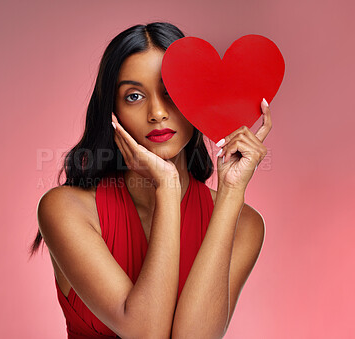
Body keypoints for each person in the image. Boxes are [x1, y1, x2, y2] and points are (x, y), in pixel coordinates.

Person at [30, 22, 271, 339]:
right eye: (133, 96)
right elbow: (145, 333)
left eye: (171, 92)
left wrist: (231, 194)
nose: (157, 112)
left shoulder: (246, 224)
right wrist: (167, 189)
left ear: (198, 100)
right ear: (111, 111)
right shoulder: (65, 209)